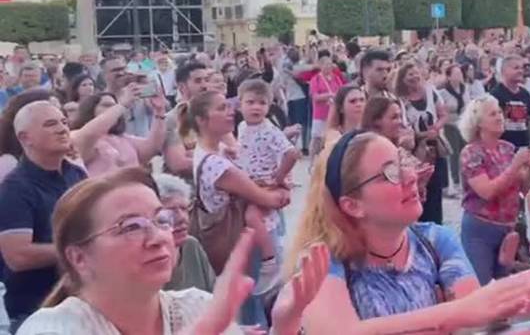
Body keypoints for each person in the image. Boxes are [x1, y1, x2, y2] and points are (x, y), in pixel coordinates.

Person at [288, 130, 530, 333]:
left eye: (402, 161)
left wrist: (505, 301)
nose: (411, 175)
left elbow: (475, 314)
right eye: (390, 173)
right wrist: (454, 313)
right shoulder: (322, 259)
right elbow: (339, 332)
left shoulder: (436, 241)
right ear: (353, 205)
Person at [16, 171, 329, 335]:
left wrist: (286, 324)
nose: (157, 237)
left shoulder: (195, 305)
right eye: (130, 227)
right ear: (79, 258)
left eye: (159, 219)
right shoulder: (53, 328)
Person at [183, 91, 291, 288]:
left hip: (242, 240)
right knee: (255, 302)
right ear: (201, 120)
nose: (230, 112)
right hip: (243, 242)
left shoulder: (212, 151)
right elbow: (266, 199)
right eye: (221, 108)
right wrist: (283, 192)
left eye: (229, 106)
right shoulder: (217, 166)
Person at [0, 101, 87, 330]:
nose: (62, 128)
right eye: (50, 124)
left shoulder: (76, 175)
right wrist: (82, 250)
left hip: (83, 301)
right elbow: (17, 256)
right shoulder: (14, 189)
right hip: (35, 313)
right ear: (25, 138)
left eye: (64, 122)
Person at [459, 95, 530, 284]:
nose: (500, 116)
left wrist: (529, 168)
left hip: (507, 229)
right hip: (480, 229)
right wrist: (515, 166)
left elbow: (524, 190)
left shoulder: (509, 149)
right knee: (482, 288)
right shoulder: (471, 152)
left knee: (503, 287)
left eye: (500, 112)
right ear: (478, 123)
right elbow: (487, 192)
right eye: (492, 114)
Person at [235, 79, 303, 292]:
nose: (256, 107)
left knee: (253, 217)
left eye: (262, 103)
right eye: (251, 102)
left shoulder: (268, 129)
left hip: (266, 185)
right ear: (240, 104)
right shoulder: (242, 126)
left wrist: (279, 177)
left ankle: (270, 260)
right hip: (250, 183)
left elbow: (292, 153)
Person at [396, 62, 448, 224]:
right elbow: (403, 127)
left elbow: (443, 114)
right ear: (403, 79)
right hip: (415, 151)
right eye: (409, 74)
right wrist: (421, 135)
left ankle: (436, 224)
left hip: (434, 148)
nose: (414, 77)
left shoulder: (431, 92)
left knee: (435, 190)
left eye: (416, 73)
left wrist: (436, 127)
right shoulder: (401, 100)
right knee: (417, 190)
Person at [70, 89, 167, 177]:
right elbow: (89, 134)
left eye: (114, 105)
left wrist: (159, 111)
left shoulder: (123, 138)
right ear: (90, 110)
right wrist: (122, 105)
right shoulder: (78, 136)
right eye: (107, 105)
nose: (114, 109)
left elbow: (153, 147)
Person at [152, 172, 215, 293]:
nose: (183, 218)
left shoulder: (191, 246)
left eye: (184, 209)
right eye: (171, 211)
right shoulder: (148, 255)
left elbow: (214, 297)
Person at [489, 55, 530, 149]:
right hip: (503, 149)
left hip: (524, 148)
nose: (520, 71)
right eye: (516, 68)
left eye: (521, 68)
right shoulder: (495, 95)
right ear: (504, 71)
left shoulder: (525, 94)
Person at [162, 62, 211, 178]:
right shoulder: (172, 119)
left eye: (207, 80)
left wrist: (196, 155)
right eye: (198, 81)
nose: (205, 85)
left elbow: (234, 151)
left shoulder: (216, 113)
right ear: (182, 87)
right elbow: (178, 164)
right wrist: (216, 158)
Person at [439, 64, 469, 198]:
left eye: (460, 73)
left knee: (465, 152)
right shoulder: (443, 92)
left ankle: (466, 182)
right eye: (455, 74)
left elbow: (467, 105)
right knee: (454, 153)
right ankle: (456, 184)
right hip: (450, 125)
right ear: (449, 76)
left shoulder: (464, 89)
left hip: (462, 123)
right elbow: (442, 109)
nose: (458, 76)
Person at [310, 50, 344, 155]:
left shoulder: (336, 78)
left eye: (330, 65)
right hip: (320, 113)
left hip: (333, 112)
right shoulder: (315, 79)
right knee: (317, 138)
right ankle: (312, 160)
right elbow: (315, 97)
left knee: (331, 136)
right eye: (326, 65)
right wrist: (329, 95)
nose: (329, 67)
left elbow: (342, 91)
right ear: (321, 66)